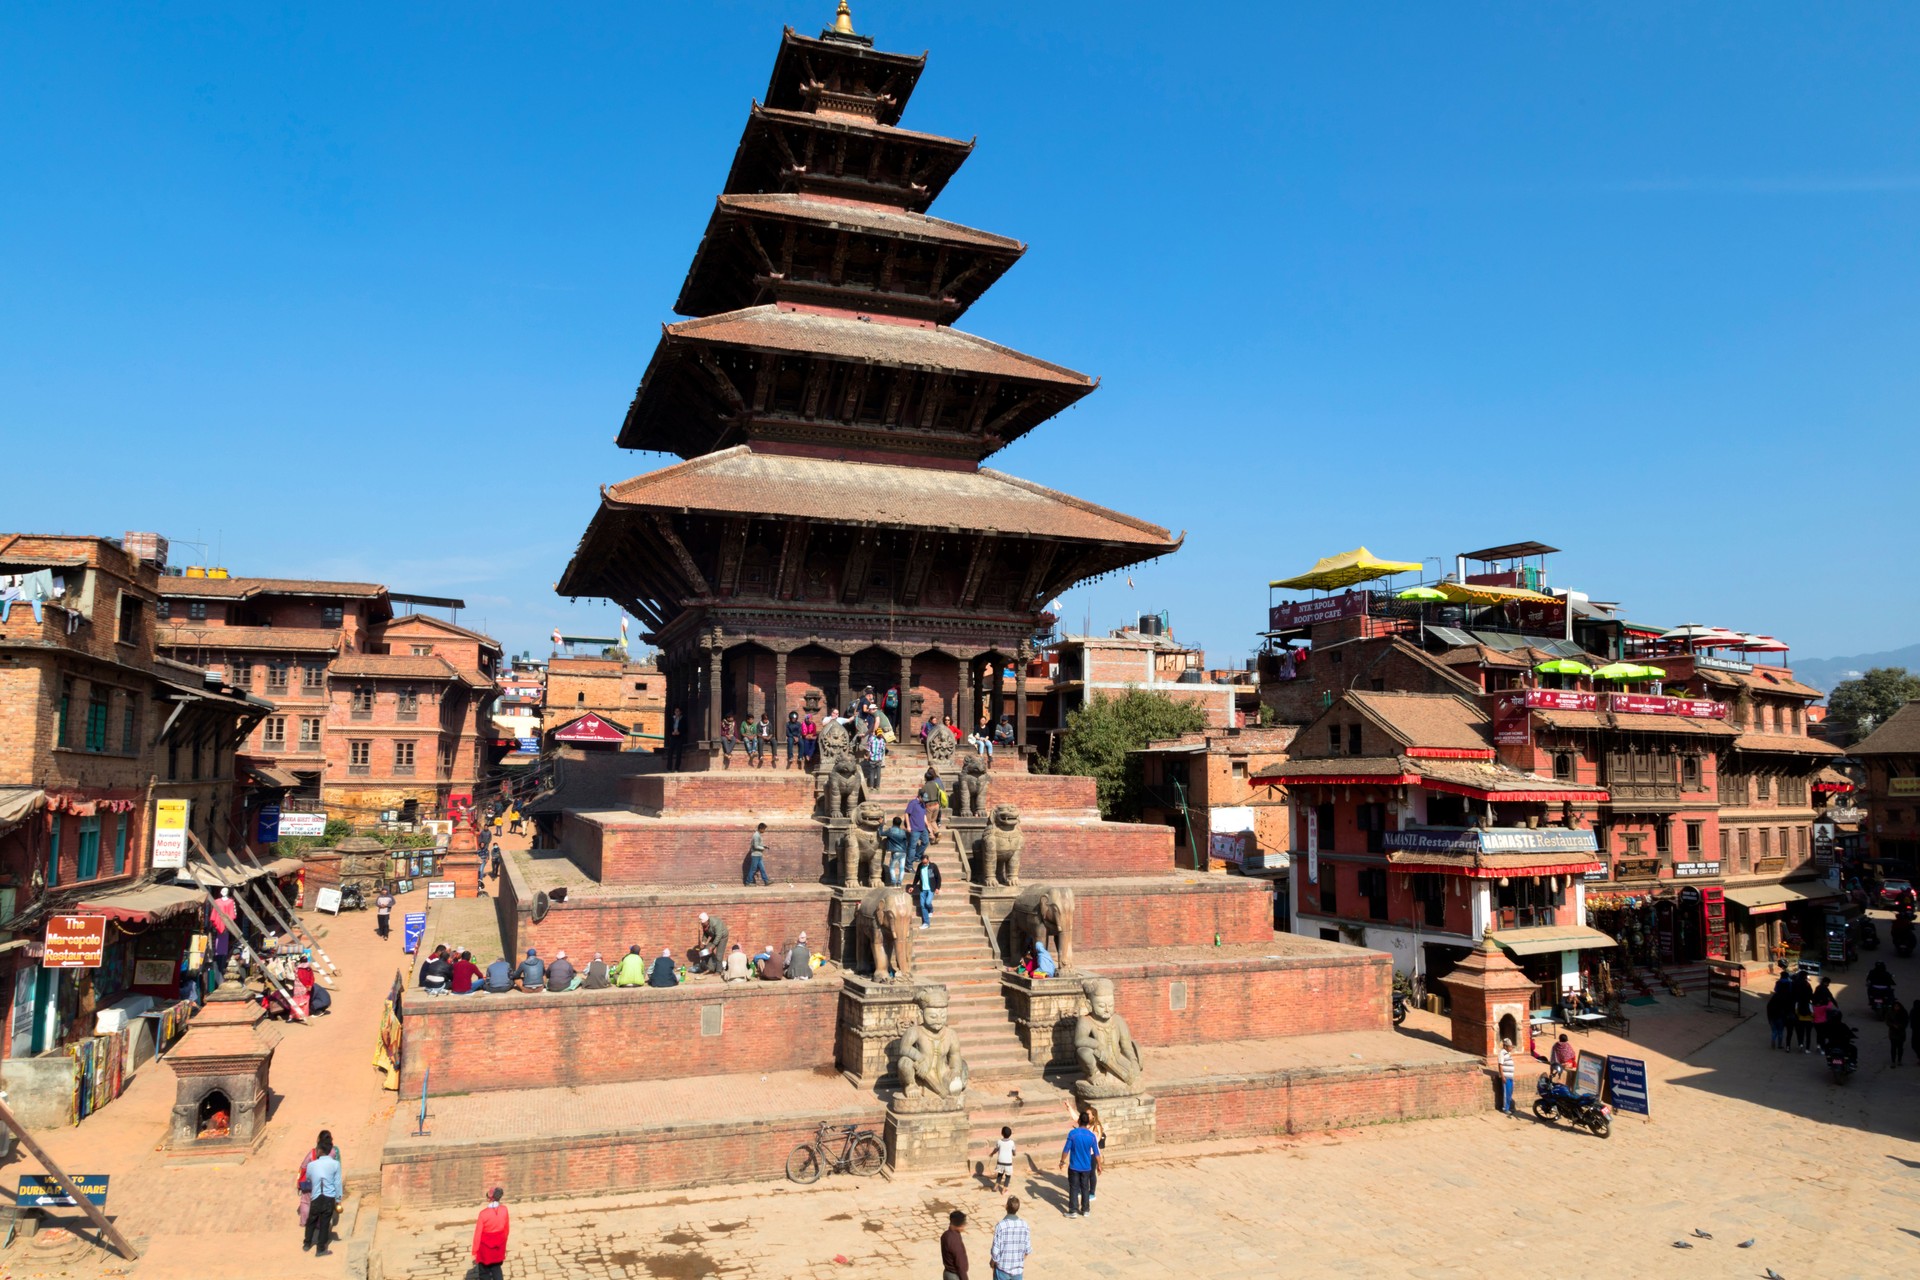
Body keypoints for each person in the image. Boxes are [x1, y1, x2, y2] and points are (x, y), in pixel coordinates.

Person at [301, 1134, 343, 1256]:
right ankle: (320, 1249)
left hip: (316, 1196)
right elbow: (337, 1183)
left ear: (320, 1150)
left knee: (311, 1220)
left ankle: (307, 1243)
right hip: (329, 1197)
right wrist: (338, 1199)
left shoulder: (312, 1165)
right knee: (325, 1223)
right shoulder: (335, 1164)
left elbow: (308, 1178)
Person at [1058, 1111, 1101, 1218]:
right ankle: (1085, 1209)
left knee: (1074, 1188)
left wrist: (1062, 1161)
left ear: (1079, 1121)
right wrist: (1099, 1165)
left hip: (1074, 1166)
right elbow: (1096, 1152)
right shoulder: (1091, 1136)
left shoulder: (1073, 1134)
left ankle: (1073, 1210)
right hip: (1086, 1166)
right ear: (1087, 1122)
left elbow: (1066, 1149)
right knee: (1085, 1187)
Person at [472, 1185, 510, 1280]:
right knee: (496, 1268)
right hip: (499, 1245)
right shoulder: (504, 1210)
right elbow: (506, 1229)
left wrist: (475, 1251)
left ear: (489, 1198)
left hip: (485, 1248)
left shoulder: (483, 1214)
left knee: (484, 1272)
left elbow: (478, 1234)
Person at [989, 1197, 1030, 1280]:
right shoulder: (1024, 1225)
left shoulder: (1001, 1226)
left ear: (1006, 1207)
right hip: (1018, 1270)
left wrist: (992, 1262)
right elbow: (1027, 1250)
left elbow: (995, 1251)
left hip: (1002, 1270)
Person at [883, 817, 912, 889]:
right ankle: (899, 883)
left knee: (892, 867)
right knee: (901, 868)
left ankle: (893, 882)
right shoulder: (903, 832)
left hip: (895, 852)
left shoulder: (890, 830)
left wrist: (881, 824)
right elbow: (908, 839)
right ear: (900, 823)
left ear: (893, 822)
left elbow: (881, 833)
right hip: (903, 852)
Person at [941, 1208, 969, 1280]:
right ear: (960, 1226)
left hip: (947, 1272)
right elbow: (960, 1264)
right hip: (954, 1276)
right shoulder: (955, 1242)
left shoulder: (945, 1235)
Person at [914, 853, 940, 928]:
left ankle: (931, 910)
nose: (924, 864)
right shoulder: (920, 866)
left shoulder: (933, 866)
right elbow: (917, 876)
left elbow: (938, 878)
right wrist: (913, 886)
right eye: (923, 862)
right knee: (922, 905)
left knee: (928, 902)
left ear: (928, 860)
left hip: (931, 888)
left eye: (926, 862)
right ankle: (926, 923)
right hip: (922, 889)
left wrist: (937, 888)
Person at [907, 794, 932, 871]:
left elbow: (924, 816)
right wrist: (908, 825)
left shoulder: (923, 804)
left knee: (925, 842)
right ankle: (909, 865)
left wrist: (928, 825)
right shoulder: (913, 803)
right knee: (912, 846)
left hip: (922, 827)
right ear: (919, 797)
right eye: (923, 799)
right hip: (914, 828)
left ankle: (917, 856)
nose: (925, 801)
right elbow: (906, 814)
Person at [1765, 981, 1792, 1051]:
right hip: (1781, 1017)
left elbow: (1768, 1006)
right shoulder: (1786, 997)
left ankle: (1773, 1040)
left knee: (1774, 1031)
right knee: (1780, 1031)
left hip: (1772, 1017)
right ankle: (1779, 1044)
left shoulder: (1775, 996)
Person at [745, 823, 771, 887]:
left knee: (762, 868)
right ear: (760, 829)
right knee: (753, 869)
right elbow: (756, 846)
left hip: (759, 855)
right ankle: (748, 882)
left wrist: (764, 846)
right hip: (755, 855)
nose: (764, 831)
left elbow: (758, 844)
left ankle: (766, 881)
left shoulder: (758, 835)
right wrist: (762, 848)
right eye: (764, 829)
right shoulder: (756, 835)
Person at [991, 1125, 1015, 1192]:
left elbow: (996, 1150)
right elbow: (1014, 1151)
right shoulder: (1011, 1142)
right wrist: (1014, 1154)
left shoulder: (999, 1142)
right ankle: (1004, 1189)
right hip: (1008, 1162)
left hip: (1000, 1161)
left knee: (1000, 1174)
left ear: (1002, 1133)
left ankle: (995, 1186)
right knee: (1008, 1175)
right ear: (1010, 1134)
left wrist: (992, 1154)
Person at [1497, 1038, 1516, 1115]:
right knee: (1506, 1093)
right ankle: (1505, 1108)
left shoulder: (1507, 1053)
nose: (1511, 1048)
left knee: (1510, 1092)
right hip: (1506, 1077)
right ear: (1505, 1046)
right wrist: (1503, 1076)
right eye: (1510, 1047)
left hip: (1510, 1077)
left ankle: (1509, 1107)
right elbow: (1500, 1065)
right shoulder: (1502, 1053)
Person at [1889, 998, 1909, 1067]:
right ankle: (1893, 1061)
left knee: (1900, 1048)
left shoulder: (1904, 1013)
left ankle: (1899, 1060)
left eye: (1897, 1006)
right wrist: (1893, 1025)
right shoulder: (1890, 1012)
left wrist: (1900, 1026)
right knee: (1893, 1048)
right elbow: (1887, 1021)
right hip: (1893, 1033)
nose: (1896, 1008)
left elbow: (1906, 1022)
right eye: (1895, 1006)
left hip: (1901, 1033)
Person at [667, 706, 686, 771]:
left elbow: (685, 728)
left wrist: (679, 732)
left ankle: (676, 768)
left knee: (678, 753)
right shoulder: (672, 719)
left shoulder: (683, 719)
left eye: (678, 711)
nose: (676, 712)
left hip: (679, 737)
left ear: (680, 712)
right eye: (675, 711)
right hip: (673, 736)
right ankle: (669, 768)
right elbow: (668, 727)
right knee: (670, 752)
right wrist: (671, 733)